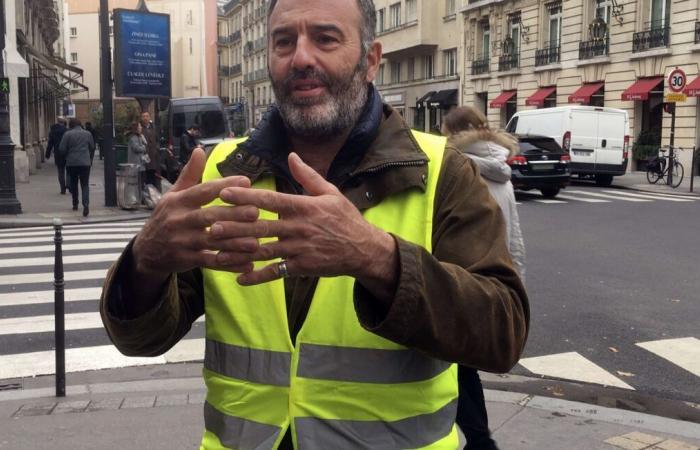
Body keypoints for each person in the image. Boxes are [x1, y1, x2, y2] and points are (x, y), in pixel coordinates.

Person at [100, 1, 529, 449]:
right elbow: (141, 341)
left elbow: (503, 333)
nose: (301, 58)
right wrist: (144, 261)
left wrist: (378, 259)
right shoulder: (219, 171)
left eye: (325, 38)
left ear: (370, 60)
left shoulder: (442, 171)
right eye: (284, 41)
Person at [442, 106, 526, 450]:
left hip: (460, 278)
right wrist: (515, 283)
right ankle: (480, 440)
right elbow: (514, 236)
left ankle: (480, 441)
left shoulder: (456, 168)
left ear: (454, 132)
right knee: (463, 367)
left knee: (454, 366)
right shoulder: (502, 171)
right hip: (492, 278)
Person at [59, 118, 95, 217]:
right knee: (85, 184)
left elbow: (62, 149)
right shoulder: (87, 134)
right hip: (85, 163)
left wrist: (67, 155)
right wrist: (90, 158)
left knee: (74, 183)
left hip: (72, 163)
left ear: (71, 125)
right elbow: (92, 147)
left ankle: (75, 203)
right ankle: (86, 204)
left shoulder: (67, 134)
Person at [140, 111, 162, 192]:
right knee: (144, 177)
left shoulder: (154, 128)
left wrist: (157, 148)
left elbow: (158, 140)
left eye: (147, 116)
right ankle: (145, 194)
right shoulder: (140, 129)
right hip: (144, 157)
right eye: (143, 116)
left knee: (152, 176)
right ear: (141, 118)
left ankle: (153, 193)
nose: (145, 118)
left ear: (149, 118)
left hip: (153, 157)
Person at [45, 117, 68, 194]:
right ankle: (69, 185)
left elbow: (50, 143)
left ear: (57, 122)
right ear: (64, 122)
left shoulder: (53, 131)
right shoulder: (67, 131)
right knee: (69, 170)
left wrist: (47, 154)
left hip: (58, 153)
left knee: (60, 171)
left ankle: (62, 188)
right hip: (67, 153)